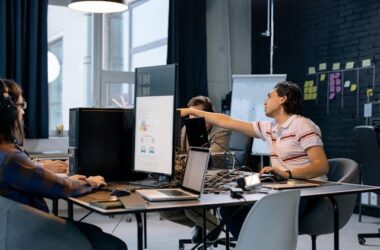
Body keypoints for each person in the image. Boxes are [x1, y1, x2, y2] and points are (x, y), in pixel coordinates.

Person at [179, 81, 329, 239]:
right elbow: (227, 121)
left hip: (305, 189)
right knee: (231, 194)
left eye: (269, 97)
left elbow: (321, 166)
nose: (265, 101)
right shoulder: (270, 128)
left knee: (248, 208)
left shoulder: (302, 125)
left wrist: (287, 173)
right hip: (281, 183)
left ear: (282, 99)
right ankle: (251, 243)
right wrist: (191, 111)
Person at [0, 79, 127, 250]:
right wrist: (92, 181)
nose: (23, 113)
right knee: (113, 245)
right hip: (30, 232)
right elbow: (60, 188)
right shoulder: (9, 157)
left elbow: (37, 178)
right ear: (7, 109)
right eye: (21, 105)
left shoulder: (5, 152)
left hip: (14, 229)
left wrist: (47, 171)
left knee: (94, 231)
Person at [161, 96, 230, 243]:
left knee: (190, 207)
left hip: (215, 175)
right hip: (191, 174)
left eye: (197, 114)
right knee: (164, 209)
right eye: (190, 114)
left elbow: (213, 155)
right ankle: (202, 224)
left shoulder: (221, 130)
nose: (193, 118)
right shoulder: (187, 128)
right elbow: (182, 154)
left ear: (208, 114)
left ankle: (215, 226)